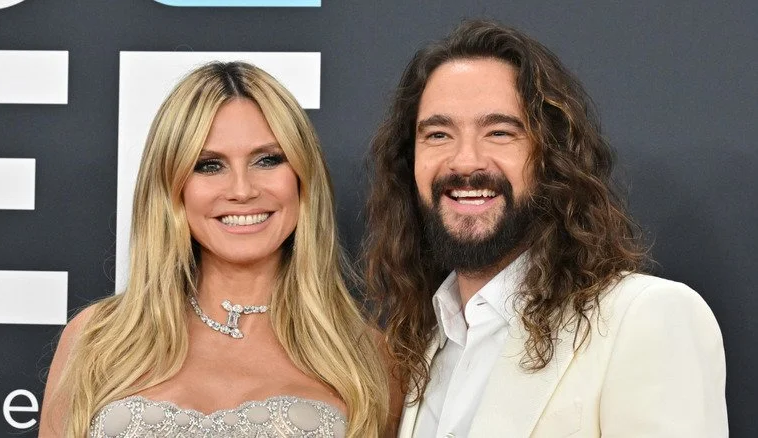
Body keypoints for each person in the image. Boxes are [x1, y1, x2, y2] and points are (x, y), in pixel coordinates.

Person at [363, 20, 727, 437]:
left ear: (551, 157)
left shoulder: (645, 317)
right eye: (439, 134)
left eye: (500, 132)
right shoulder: (420, 347)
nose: (465, 161)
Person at [40, 61, 399, 437]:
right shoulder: (97, 339)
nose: (242, 190)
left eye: (267, 160)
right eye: (209, 166)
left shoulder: (365, 356)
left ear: (302, 175)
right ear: (172, 186)